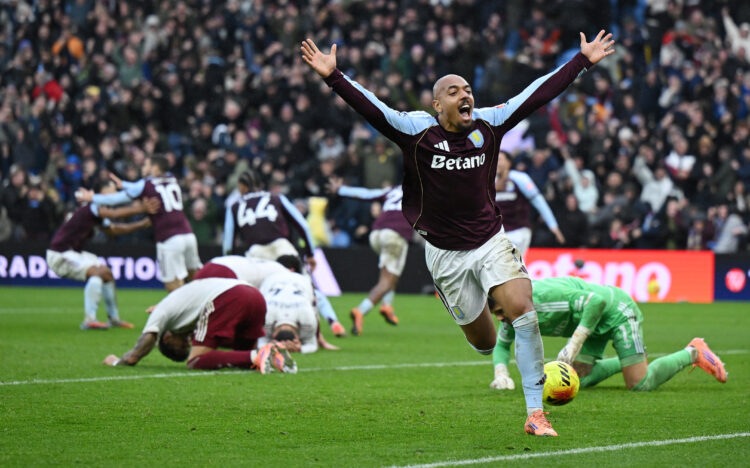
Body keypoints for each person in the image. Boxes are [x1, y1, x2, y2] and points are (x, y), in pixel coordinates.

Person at [301, 30, 615, 436]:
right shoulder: (416, 131)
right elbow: (373, 109)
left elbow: (536, 95)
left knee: (523, 306)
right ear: (437, 105)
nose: (464, 95)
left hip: (490, 239)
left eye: (467, 89)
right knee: (484, 343)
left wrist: (581, 61)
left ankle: (535, 413)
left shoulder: (489, 124)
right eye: (453, 91)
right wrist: (334, 77)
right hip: (444, 254)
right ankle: (477, 305)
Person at [489, 276, 727, 392]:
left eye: (500, 312)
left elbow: (597, 302)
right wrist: (501, 373)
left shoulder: (543, 297)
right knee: (579, 380)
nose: (501, 319)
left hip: (616, 312)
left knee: (639, 384)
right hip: (591, 324)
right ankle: (634, 359)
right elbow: (501, 346)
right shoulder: (514, 313)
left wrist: (573, 345)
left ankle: (694, 352)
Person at [223, 170, 346, 337]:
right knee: (307, 286)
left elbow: (228, 243)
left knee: (258, 294)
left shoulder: (235, 206)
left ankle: (253, 331)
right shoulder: (276, 198)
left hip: (257, 254)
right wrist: (309, 253)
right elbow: (302, 224)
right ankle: (333, 321)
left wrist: (231, 261)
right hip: (282, 248)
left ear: (242, 187)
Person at [102, 277, 296, 373]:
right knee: (245, 360)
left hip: (229, 296)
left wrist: (119, 361)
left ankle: (259, 353)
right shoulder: (180, 310)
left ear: (167, 337)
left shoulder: (161, 311)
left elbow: (145, 341)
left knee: (196, 361)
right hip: (254, 295)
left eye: (181, 346)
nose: (188, 344)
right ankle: (270, 356)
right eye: (186, 347)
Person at [46, 179, 160, 329]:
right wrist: (140, 208)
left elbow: (113, 230)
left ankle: (113, 319)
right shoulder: (94, 206)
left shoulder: (97, 211)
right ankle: (89, 320)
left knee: (106, 273)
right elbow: (114, 212)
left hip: (73, 253)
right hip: (60, 254)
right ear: (102, 192)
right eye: (112, 190)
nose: (116, 194)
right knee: (96, 272)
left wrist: (141, 224)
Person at [77, 156, 202, 291]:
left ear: (154, 168)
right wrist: (124, 184)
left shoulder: (146, 184)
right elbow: (142, 187)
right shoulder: (172, 178)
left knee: (173, 287)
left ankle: (185, 309)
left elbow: (116, 199)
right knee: (196, 277)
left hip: (169, 239)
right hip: (188, 235)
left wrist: (92, 197)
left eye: (146, 165)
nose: (143, 168)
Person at [193, 254, 339, 351]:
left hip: (212, 265)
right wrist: (317, 337)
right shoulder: (285, 277)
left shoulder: (269, 272)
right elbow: (313, 299)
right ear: (292, 270)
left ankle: (190, 337)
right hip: (227, 274)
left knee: (197, 311)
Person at [326, 176, 411, 335]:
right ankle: (361, 310)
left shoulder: (392, 190)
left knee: (390, 273)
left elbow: (366, 194)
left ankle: (387, 305)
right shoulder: (422, 191)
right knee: (387, 280)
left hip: (377, 233)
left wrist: (341, 189)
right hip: (396, 234)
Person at [494, 150, 564, 256]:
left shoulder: (520, 178)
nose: (496, 163)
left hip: (518, 231)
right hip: (498, 233)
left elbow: (539, 202)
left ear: (508, 163)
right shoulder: (489, 181)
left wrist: (553, 226)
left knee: (513, 266)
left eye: (499, 160)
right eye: (494, 160)